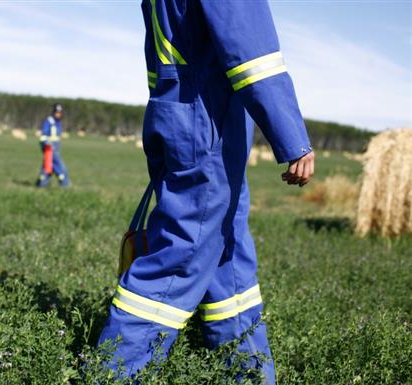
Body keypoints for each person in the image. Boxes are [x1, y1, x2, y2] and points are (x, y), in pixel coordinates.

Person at [98, 0, 315, 383]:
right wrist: (291, 138)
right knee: (181, 256)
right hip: (208, 123)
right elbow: (253, 54)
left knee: (228, 251)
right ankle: (114, 373)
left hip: (180, 114)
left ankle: (246, 372)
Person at [36, 103, 70, 187]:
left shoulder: (58, 122)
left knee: (48, 167)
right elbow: (44, 135)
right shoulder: (49, 121)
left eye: (60, 112)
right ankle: (65, 185)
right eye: (56, 112)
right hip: (50, 148)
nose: (58, 114)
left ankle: (41, 185)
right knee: (60, 168)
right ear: (53, 112)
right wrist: (46, 145)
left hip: (56, 147)